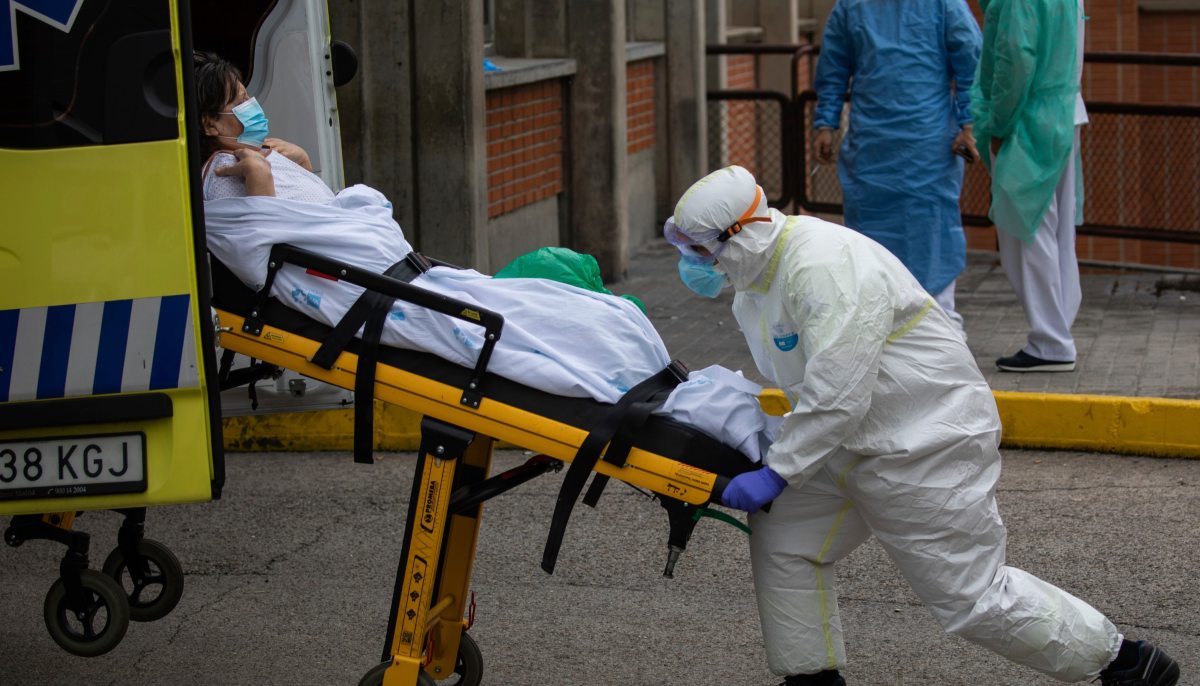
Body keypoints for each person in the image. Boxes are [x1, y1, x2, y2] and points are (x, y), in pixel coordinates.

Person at [665, 165, 1180, 686]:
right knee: (784, 538)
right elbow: (821, 392)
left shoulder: (824, 265)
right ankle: (811, 680)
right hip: (846, 445)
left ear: (741, 233)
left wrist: (779, 470)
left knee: (972, 598)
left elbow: (838, 393)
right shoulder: (755, 279)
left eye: (700, 250)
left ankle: (1127, 663)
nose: (694, 263)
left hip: (925, 443)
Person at [812, 0, 981, 330]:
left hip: (915, 143)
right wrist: (825, 122)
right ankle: (893, 326)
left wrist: (970, 121)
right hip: (894, 144)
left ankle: (939, 326)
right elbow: (833, 64)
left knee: (928, 229)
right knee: (888, 237)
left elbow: (969, 59)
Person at [971, 0, 1087, 372]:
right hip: (1064, 108)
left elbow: (1015, 59)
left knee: (1025, 229)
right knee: (1056, 229)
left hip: (1030, 116)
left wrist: (999, 124)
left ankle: (1050, 341)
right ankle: (1057, 331)